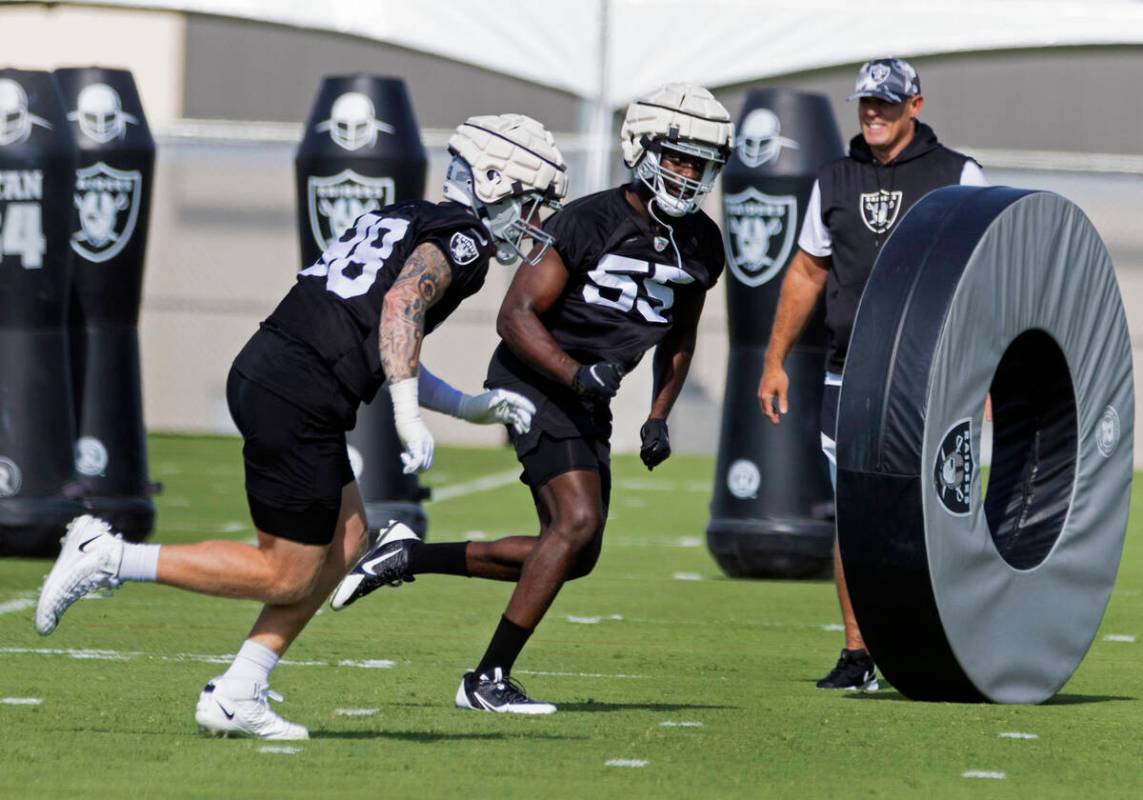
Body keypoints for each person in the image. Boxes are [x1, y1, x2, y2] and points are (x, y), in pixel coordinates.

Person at [34, 114, 569, 739]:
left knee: (346, 542)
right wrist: (402, 412)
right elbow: (402, 307)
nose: (534, 221)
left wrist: (463, 407)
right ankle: (108, 557)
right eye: (530, 203)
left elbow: (379, 331)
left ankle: (239, 691)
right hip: (298, 392)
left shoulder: (410, 214)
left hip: (277, 370)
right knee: (284, 570)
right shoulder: (464, 239)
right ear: (493, 180)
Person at [332, 82, 733, 714]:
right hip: (533, 382)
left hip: (586, 398)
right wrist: (576, 375)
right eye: (677, 157)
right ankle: (487, 678)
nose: (688, 174)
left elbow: (679, 333)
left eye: (700, 163)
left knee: (575, 553)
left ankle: (405, 554)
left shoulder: (704, 243)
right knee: (575, 524)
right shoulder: (587, 220)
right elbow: (515, 316)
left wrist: (658, 415)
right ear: (641, 148)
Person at [756, 58, 987, 690]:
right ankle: (859, 656)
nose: (873, 113)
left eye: (886, 103)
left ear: (915, 105)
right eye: (865, 102)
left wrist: (985, 372)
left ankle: (950, 643)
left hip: (932, 379)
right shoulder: (834, 178)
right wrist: (774, 360)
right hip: (847, 375)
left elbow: (980, 278)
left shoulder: (957, 174)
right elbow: (807, 271)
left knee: (936, 513)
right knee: (853, 516)